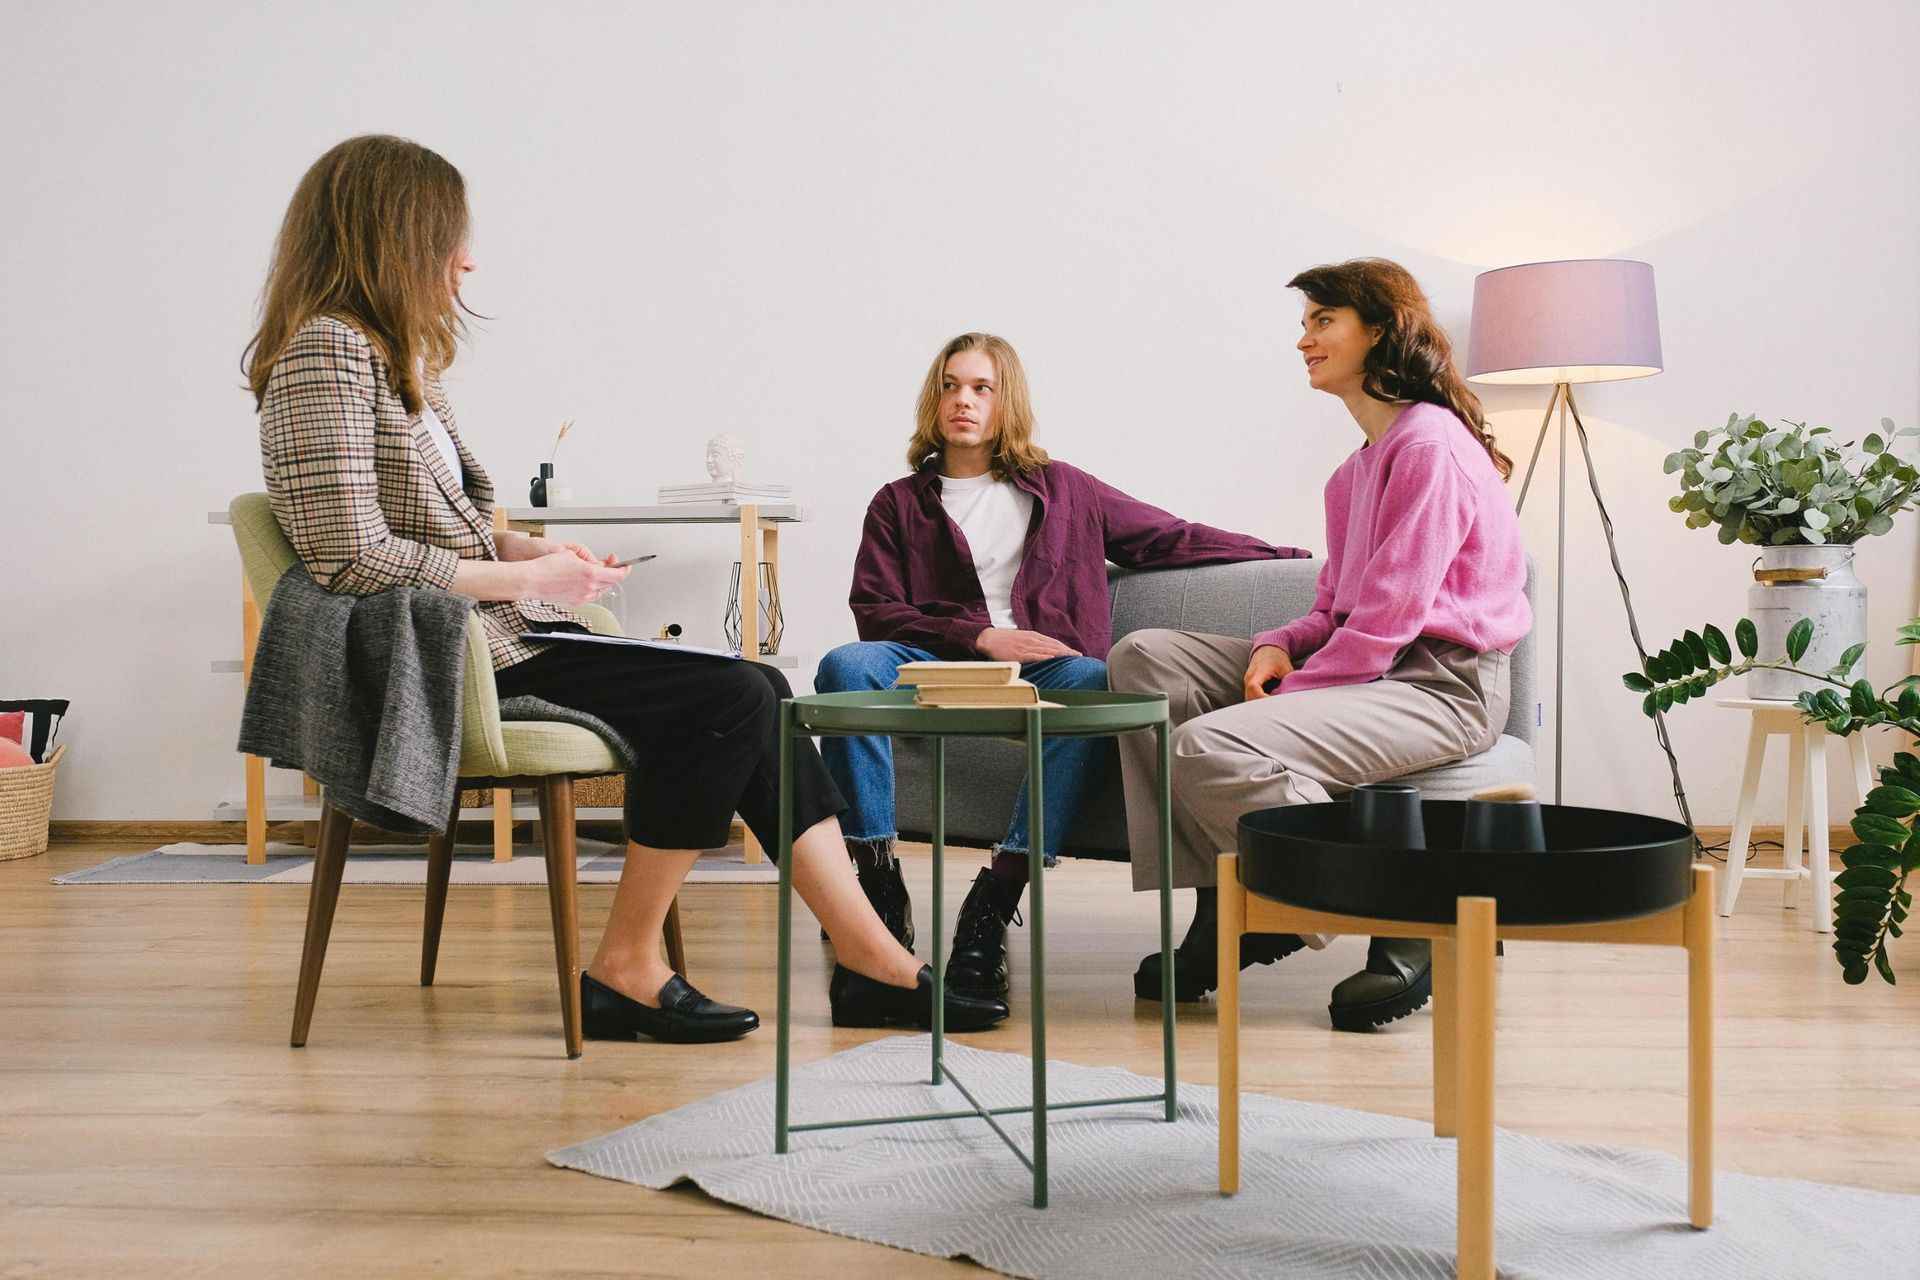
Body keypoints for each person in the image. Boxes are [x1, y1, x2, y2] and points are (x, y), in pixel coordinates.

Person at [244, 135, 1008, 1044]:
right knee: (729, 696)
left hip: (497, 630)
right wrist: (530, 576)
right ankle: (643, 967)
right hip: (441, 656)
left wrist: (533, 546)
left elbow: (440, 517)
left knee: (756, 689)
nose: (467, 259)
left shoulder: (406, 359)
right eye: (451, 236)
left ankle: (866, 959)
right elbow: (350, 558)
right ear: (392, 235)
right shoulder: (322, 353)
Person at [814, 331, 1306, 1006]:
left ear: (1005, 400)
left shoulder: (1066, 489)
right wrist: (981, 636)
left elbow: (1170, 537)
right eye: (952, 386)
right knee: (845, 664)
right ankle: (874, 887)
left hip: (1047, 672)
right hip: (934, 663)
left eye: (981, 388)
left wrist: (1287, 554)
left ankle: (995, 898)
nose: (964, 400)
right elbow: (876, 611)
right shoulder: (898, 503)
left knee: (1095, 681)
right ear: (935, 400)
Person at [1110, 258, 1530, 1031]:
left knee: (1207, 747)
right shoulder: (1355, 472)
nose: (1303, 339)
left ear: (1379, 329)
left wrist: (1293, 693)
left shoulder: (1430, 446)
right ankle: (1229, 910)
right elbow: (1339, 609)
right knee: (1144, 658)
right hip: (1377, 667)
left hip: (1441, 687)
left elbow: (1389, 623)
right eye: (1304, 324)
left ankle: (1406, 907)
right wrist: (1275, 647)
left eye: (1321, 321)